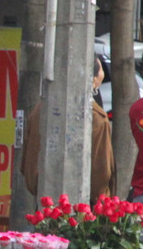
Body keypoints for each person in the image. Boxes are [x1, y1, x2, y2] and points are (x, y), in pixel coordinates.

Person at [21, 56, 114, 200]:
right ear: (93, 79)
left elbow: (27, 160)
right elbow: (100, 170)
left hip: (44, 198)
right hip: (83, 203)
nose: (103, 74)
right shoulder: (96, 118)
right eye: (101, 70)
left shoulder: (40, 109)